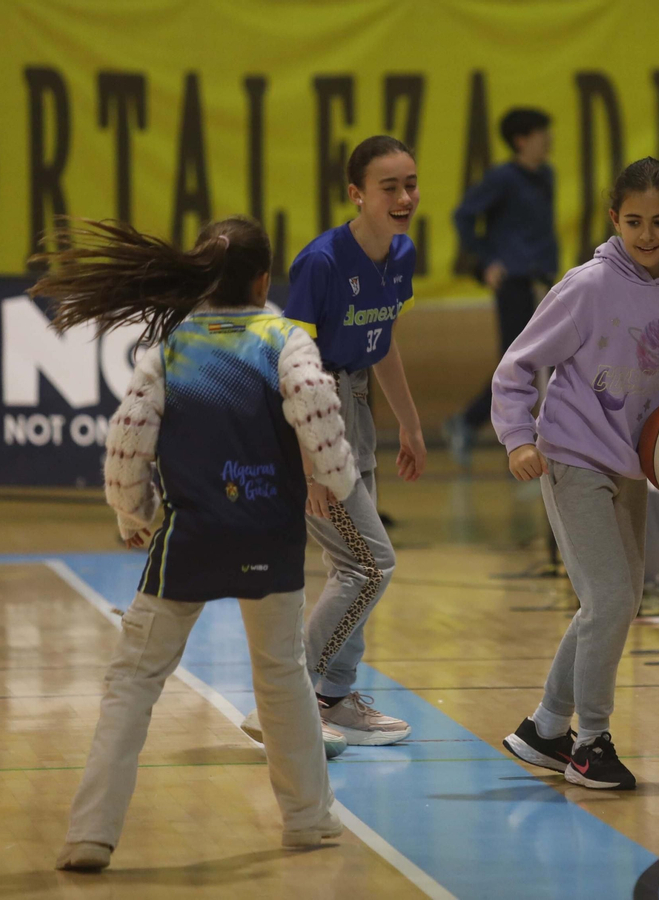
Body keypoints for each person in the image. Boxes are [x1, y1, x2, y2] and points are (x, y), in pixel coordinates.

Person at [38, 215, 355, 871]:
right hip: (272, 536)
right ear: (265, 279)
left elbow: (129, 437)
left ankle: (91, 833)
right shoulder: (283, 337)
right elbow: (316, 401)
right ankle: (309, 820)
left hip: (191, 539)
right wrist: (335, 478)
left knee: (133, 683)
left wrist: (133, 513)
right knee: (284, 676)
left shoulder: (173, 349)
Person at [492, 158, 659, 790]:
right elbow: (516, 366)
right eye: (634, 221)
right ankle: (590, 741)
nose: (647, 234)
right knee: (608, 598)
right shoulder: (588, 286)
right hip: (573, 456)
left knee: (617, 601)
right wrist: (519, 438)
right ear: (614, 219)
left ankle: (546, 727)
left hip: (631, 467)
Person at [238, 135, 425, 748]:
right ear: (357, 194)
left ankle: (335, 697)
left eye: (410, 184)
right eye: (389, 187)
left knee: (353, 564)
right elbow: (295, 367)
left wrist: (410, 423)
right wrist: (310, 467)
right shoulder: (320, 262)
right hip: (313, 416)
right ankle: (281, 699)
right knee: (370, 565)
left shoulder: (401, 256)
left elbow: (386, 337)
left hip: (359, 410)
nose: (403, 197)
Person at [444, 108, 559, 467]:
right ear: (522, 139)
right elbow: (463, 215)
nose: (549, 139)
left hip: (543, 281)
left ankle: (554, 437)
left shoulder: (546, 176)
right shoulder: (502, 178)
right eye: (542, 132)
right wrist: (485, 262)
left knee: (554, 358)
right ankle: (470, 422)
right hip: (514, 283)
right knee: (516, 361)